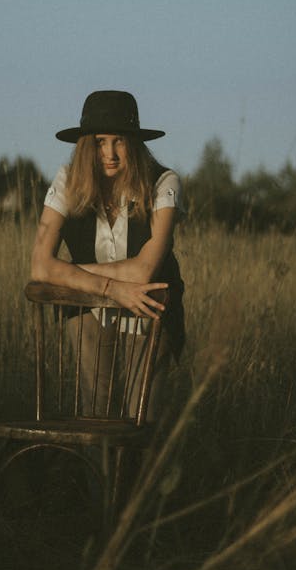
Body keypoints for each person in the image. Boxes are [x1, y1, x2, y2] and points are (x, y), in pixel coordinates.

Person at [31, 90, 185, 421]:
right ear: (87, 145)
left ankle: (139, 475)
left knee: (143, 419)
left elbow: (145, 271)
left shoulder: (163, 182)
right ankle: (97, 475)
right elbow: (39, 265)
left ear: (134, 142)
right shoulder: (67, 182)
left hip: (149, 314)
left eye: (119, 141)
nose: (110, 153)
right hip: (87, 316)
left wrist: (70, 274)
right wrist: (111, 289)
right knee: (94, 415)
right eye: (100, 141)